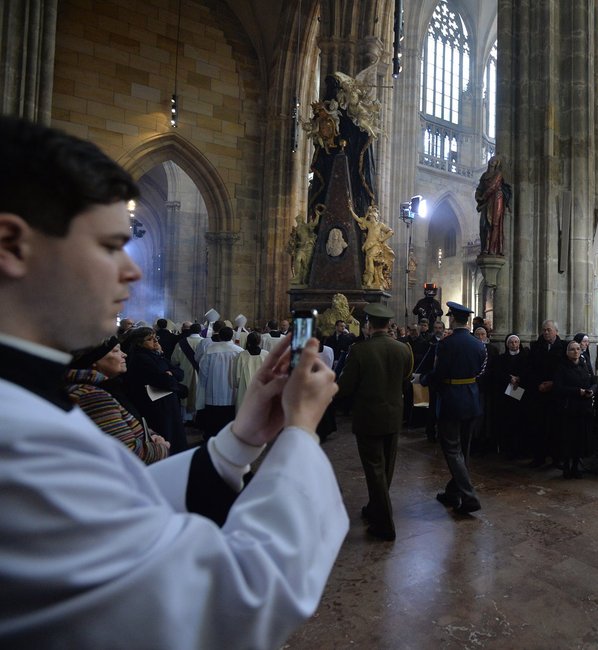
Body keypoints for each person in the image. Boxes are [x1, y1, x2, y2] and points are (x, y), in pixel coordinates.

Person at [0, 116, 347, 647]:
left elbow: (118, 511)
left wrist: (240, 439)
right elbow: (231, 603)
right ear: (13, 244)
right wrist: (300, 432)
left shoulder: (27, 400)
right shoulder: (18, 440)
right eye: (110, 245)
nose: (134, 271)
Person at [335, 303, 414, 541]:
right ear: (389, 324)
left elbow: (345, 387)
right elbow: (405, 378)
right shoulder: (403, 349)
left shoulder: (360, 350)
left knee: (374, 468)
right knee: (386, 467)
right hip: (393, 414)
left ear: (368, 324)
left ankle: (384, 523)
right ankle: (374, 507)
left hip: (368, 415)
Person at [65, 336, 171, 464]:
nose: (124, 354)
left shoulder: (107, 386)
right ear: (94, 361)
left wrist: (150, 435)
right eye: (115, 351)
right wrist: (161, 448)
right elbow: (128, 454)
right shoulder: (92, 396)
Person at [428, 302, 487, 513]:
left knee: (452, 449)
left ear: (452, 318)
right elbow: (480, 370)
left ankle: (469, 496)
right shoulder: (478, 344)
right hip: (471, 399)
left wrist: (427, 381)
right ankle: (453, 492)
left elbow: (440, 372)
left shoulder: (446, 344)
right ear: (467, 321)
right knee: (464, 449)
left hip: (452, 399)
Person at [123, 326, 189, 452]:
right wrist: (168, 374)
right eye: (150, 339)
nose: (156, 341)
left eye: (155, 338)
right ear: (139, 343)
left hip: (166, 403)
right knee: (167, 438)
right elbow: (166, 380)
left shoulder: (155, 354)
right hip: (158, 406)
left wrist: (169, 372)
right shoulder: (141, 358)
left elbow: (180, 373)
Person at [525, 320, 567, 469]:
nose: (546, 332)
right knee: (538, 427)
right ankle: (539, 457)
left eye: (549, 330)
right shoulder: (536, 347)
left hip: (555, 393)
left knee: (557, 427)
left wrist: (553, 384)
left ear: (556, 331)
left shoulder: (564, 348)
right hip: (539, 393)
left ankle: (557, 458)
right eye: (544, 330)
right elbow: (530, 368)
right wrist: (539, 384)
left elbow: (565, 370)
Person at [553, 340, 594, 479]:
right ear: (567, 352)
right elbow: (558, 388)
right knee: (568, 439)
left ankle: (576, 467)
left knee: (579, 439)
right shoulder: (561, 367)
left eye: (578, 349)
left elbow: (591, 381)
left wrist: (591, 391)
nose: (576, 351)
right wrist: (578, 391)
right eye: (572, 349)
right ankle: (566, 467)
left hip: (583, 408)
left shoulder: (583, 365)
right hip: (569, 408)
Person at [197, 326, 244, 438]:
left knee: (213, 422)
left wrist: (203, 386)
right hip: (232, 392)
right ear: (231, 336)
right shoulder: (239, 351)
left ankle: (211, 437)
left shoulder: (210, 350)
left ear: (219, 336)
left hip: (213, 391)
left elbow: (203, 371)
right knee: (228, 419)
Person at [493, 333, 529, 458]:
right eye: (511, 342)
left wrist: (519, 378)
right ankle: (507, 449)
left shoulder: (526, 357)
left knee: (521, 422)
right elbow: (497, 373)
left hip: (522, 394)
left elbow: (530, 372)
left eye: (516, 342)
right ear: (507, 344)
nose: (514, 345)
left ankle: (520, 449)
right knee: (507, 421)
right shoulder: (501, 358)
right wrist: (509, 378)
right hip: (506, 395)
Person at [475, 155, 512, 255]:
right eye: (492, 160)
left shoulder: (498, 174)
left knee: (494, 224)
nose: (493, 162)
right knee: (483, 225)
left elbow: (494, 186)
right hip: (486, 202)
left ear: (497, 164)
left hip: (496, 199)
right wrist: (478, 196)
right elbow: (479, 188)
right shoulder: (484, 175)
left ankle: (492, 249)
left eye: (495, 161)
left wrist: (483, 197)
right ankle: (484, 249)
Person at [233, 332, 268, 412]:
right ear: (259, 342)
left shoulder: (241, 356)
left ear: (248, 342)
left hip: (244, 390)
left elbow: (236, 378)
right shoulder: (266, 354)